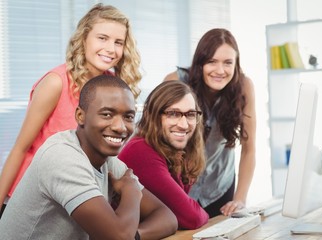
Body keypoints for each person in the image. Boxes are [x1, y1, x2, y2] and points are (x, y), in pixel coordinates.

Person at [0, 3, 142, 217]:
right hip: (32, 199)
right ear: (84, 38)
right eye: (102, 38)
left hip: (74, 197)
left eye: (118, 42)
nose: (111, 49)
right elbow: (20, 148)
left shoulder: (114, 86)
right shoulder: (56, 83)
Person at [0, 75, 177, 239]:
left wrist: (134, 236)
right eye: (107, 114)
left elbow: (167, 218)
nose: (120, 127)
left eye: (128, 116)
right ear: (80, 116)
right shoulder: (62, 156)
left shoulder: (108, 160)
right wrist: (131, 192)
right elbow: (119, 236)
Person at [164, 28, 256, 218]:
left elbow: (249, 148)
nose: (220, 71)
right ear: (200, 63)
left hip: (219, 188)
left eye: (228, 63)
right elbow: (155, 141)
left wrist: (240, 199)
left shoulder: (244, 87)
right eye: (212, 62)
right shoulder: (176, 82)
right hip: (178, 190)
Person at [119, 80, 209, 229]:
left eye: (190, 114)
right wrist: (204, 214)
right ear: (154, 115)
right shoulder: (140, 151)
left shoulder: (178, 150)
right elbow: (192, 217)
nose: (184, 124)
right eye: (173, 114)